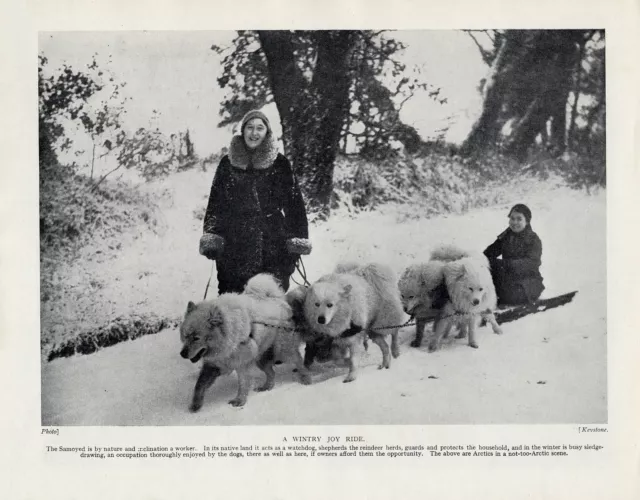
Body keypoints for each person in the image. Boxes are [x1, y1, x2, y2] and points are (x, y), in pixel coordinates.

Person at [199, 110, 311, 294]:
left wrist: (296, 241)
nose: (254, 133)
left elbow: (295, 206)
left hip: (273, 244)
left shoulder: (280, 163)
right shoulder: (227, 164)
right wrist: (212, 238)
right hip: (234, 245)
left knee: (271, 301)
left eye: (260, 128)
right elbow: (216, 205)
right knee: (233, 300)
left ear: (267, 132)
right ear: (242, 131)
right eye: (249, 127)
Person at [484, 203, 544, 305]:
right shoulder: (507, 235)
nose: (514, 222)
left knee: (506, 294)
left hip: (528, 282)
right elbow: (489, 252)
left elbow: (531, 263)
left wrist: (504, 264)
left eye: (519, 219)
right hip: (509, 278)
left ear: (527, 221)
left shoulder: (533, 239)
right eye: (512, 218)